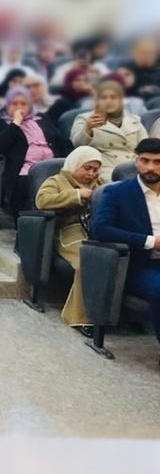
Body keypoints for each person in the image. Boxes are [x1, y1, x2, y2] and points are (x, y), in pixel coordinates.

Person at [91, 138, 160, 347]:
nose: (150, 168)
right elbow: (101, 230)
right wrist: (150, 242)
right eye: (145, 161)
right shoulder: (118, 193)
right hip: (140, 264)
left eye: (157, 162)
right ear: (136, 160)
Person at [34, 147, 106, 330]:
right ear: (75, 165)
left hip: (98, 230)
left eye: (95, 169)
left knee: (113, 258)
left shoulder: (101, 184)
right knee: (87, 261)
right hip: (70, 232)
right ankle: (80, 317)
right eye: (87, 168)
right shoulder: (57, 180)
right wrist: (77, 195)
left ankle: (110, 314)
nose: (91, 174)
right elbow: (42, 200)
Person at [0, 86, 59, 213]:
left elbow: (59, 140)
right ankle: (29, 219)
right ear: (7, 105)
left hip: (51, 165)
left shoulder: (41, 119)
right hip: (23, 169)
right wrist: (16, 123)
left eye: (24, 104)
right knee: (28, 185)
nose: (19, 107)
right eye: (14, 104)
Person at [71, 78, 148, 175]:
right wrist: (88, 128)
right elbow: (77, 145)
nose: (108, 101)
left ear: (121, 100)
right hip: (104, 170)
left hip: (135, 168)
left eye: (113, 98)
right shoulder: (85, 119)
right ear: (97, 101)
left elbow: (146, 146)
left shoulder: (134, 119)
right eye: (104, 98)